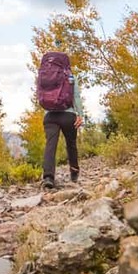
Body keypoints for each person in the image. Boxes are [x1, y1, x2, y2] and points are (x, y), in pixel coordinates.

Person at [40, 45, 83, 188]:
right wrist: (80, 115)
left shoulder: (43, 76)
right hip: (68, 115)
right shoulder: (70, 76)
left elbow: (41, 96)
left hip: (50, 115)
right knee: (71, 144)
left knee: (50, 145)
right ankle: (74, 172)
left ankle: (48, 177)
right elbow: (76, 96)